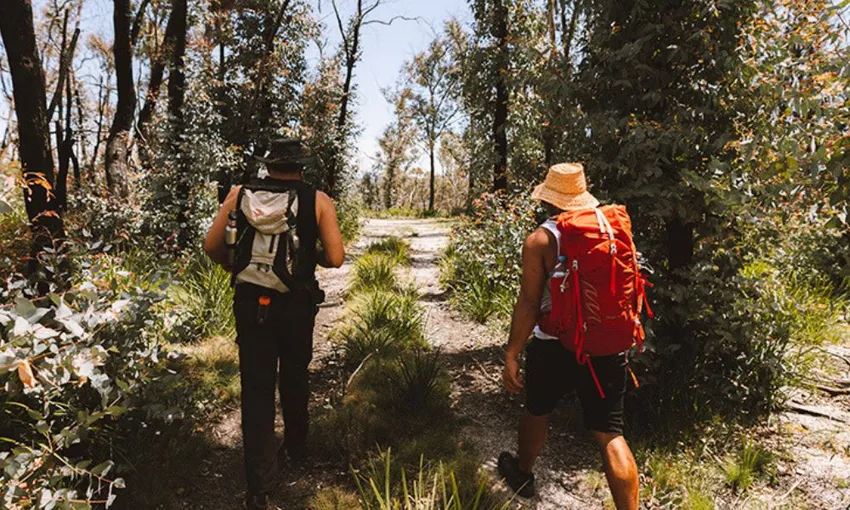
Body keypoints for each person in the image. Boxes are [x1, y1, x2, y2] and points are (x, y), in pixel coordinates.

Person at [203, 138, 345, 510]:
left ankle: (258, 486)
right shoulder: (318, 201)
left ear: (268, 165)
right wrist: (305, 253)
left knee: (256, 387)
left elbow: (210, 246)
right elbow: (336, 257)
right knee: (295, 373)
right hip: (296, 303)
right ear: (301, 166)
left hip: (251, 303)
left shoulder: (239, 195)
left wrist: (232, 265)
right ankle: (296, 447)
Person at [497, 163, 639, 509]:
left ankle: (523, 473)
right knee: (609, 431)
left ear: (548, 199)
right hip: (605, 344)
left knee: (537, 410)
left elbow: (529, 302)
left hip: (553, 344)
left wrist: (512, 353)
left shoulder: (540, 239)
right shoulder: (609, 227)